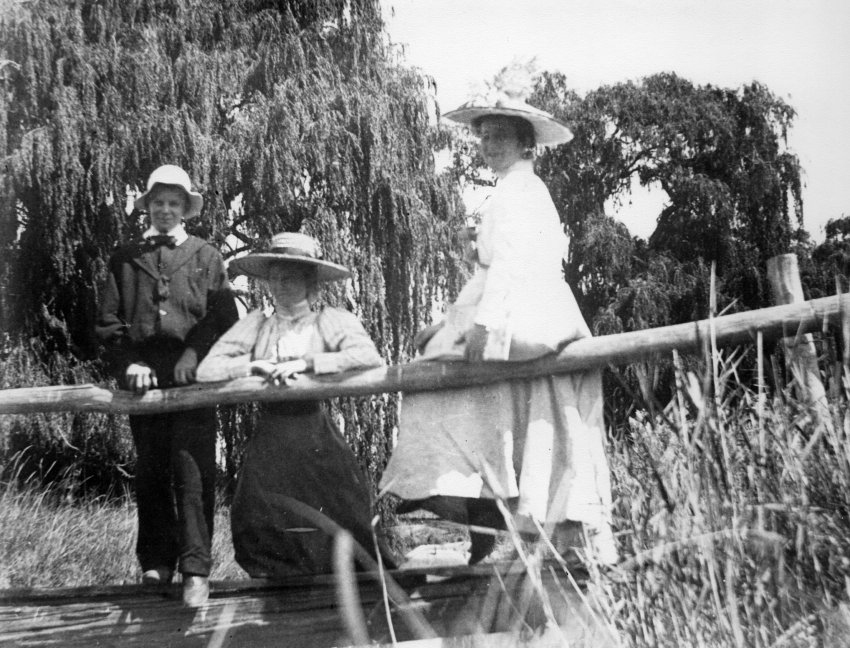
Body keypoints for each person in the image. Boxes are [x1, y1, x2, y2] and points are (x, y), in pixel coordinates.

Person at [379, 91, 618, 566]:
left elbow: (509, 266)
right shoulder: (514, 190)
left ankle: (461, 491)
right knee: (464, 375)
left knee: (430, 377)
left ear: (526, 143)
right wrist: (447, 320)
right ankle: (478, 497)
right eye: (484, 136)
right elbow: (492, 270)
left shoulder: (518, 190)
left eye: (501, 136)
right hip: (522, 302)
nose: (489, 144)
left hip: (527, 310)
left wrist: (483, 326)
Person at [196, 232, 390, 578]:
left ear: (309, 282)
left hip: (314, 430)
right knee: (255, 511)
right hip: (272, 433)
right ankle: (279, 582)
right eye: (275, 277)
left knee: (344, 507)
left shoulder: (328, 321)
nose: (281, 285)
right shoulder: (257, 325)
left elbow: (368, 358)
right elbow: (208, 369)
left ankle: (355, 584)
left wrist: (308, 364)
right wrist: (251, 366)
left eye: (291, 277)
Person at [96, 164, 238, 607]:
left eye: (174, 203)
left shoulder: (207, 255)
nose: (165, 210)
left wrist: (194, 355)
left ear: (186, 210)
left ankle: (196, 568)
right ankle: (156, 561)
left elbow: (222, 317)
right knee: (151, 471)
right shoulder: (124, 258)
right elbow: (107, 323)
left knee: (192, 472)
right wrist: (130, 363)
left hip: (192, 377)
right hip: (144, 380)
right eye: (158, 202)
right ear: (147, 207)